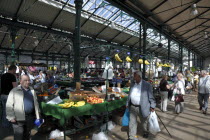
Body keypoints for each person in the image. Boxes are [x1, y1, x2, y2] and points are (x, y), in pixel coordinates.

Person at [6, 75, 41, 140]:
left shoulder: (32, 90)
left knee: (27, 135)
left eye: (28, 80)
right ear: (21, 81)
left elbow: (36, 103)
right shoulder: (14, 91)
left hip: (29, 118)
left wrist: (38, 115)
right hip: (18, 119)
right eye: (25, 80)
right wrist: (11, 117)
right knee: (19, 136)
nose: (28, 82)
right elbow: (9, 105)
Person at [126, 71, 156, 140]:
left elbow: (151, 96)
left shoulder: (147, 85)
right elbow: (129, 94)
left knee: (144, 122)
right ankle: (131, 137)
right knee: (132, 122)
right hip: (133, 106)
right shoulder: (132, 84)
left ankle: (145, 131)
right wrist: (127, 103)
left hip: (143, 107)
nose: (134, 78)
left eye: (135, 76)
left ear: (139, 77)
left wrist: (152, 105)